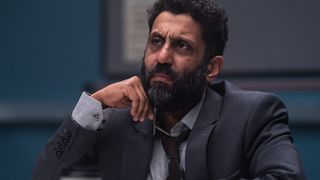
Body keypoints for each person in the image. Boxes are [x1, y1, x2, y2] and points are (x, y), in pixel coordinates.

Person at [33, 0, 305, 179]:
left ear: (211, 68)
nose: (162, 57)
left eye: (181, 46)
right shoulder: (114, 121)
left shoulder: (252, 115)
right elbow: (47, 175)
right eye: (156, 41)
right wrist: (95, 103)